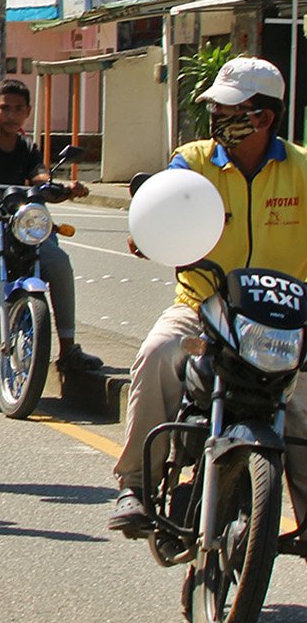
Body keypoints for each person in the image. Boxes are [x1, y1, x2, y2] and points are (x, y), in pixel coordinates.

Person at [110, 56, 307, 536]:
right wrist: (148, 230)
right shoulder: (192, 161)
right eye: (215, 108)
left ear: (263, 117)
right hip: (203, 307)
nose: (217, 117)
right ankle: (135, 484)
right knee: (157, 354)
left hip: (284, 320)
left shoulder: (302, 169)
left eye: (229, 108)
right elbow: (159, 208)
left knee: (303, 404)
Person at [0, 78, 100, 373]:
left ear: (27, 113)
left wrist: (60, 187)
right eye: (5, 108)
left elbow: (39, 175)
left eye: (18, 109)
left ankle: (68, 350)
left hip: (19, 222)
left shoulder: (28, 147)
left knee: (59, 262)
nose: (11, 115)